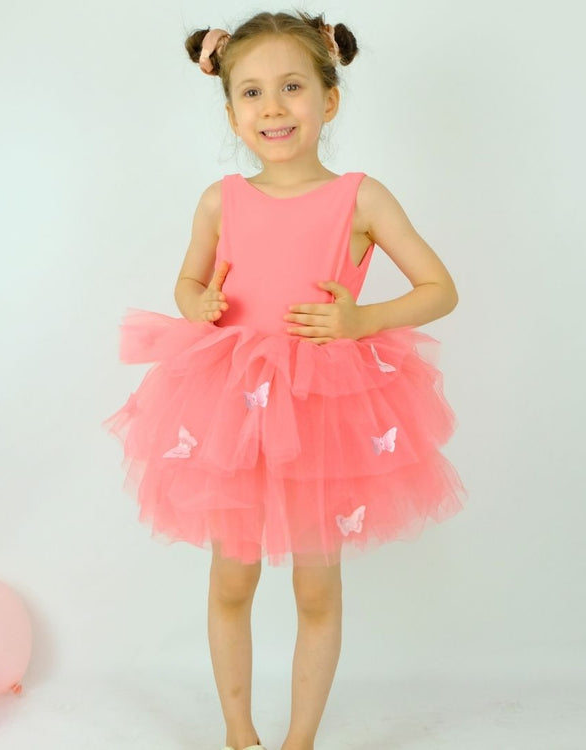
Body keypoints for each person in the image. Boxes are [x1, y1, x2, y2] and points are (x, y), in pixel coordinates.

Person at [102, 10, 467, 750]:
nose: (273, 107)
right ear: (231, 107)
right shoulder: (220, 200)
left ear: (328, 99)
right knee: (232, 577)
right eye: (252, 92)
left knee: (315, 584)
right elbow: (187, 279)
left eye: (293, 87)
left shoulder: (360, 197)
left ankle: (300, 740)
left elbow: (439, 288)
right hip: (234, 405)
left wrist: (361, 321)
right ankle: (240, 733)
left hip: (322, 409)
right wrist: (195, 303)